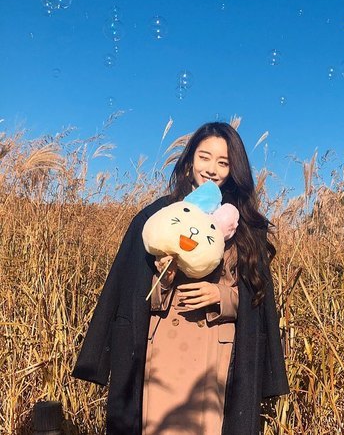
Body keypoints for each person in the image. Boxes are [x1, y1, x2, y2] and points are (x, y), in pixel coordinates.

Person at [72, 122, 289, 435]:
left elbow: (257, 300)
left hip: (217, 358)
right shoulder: (157, 217)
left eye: (223, 162)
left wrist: (221, 297)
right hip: (162, 353)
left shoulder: (245, 228)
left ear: (233, 170)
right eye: (205, 157)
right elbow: (129, 293)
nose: (212, 169)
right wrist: (164, 278)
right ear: (189, 161)